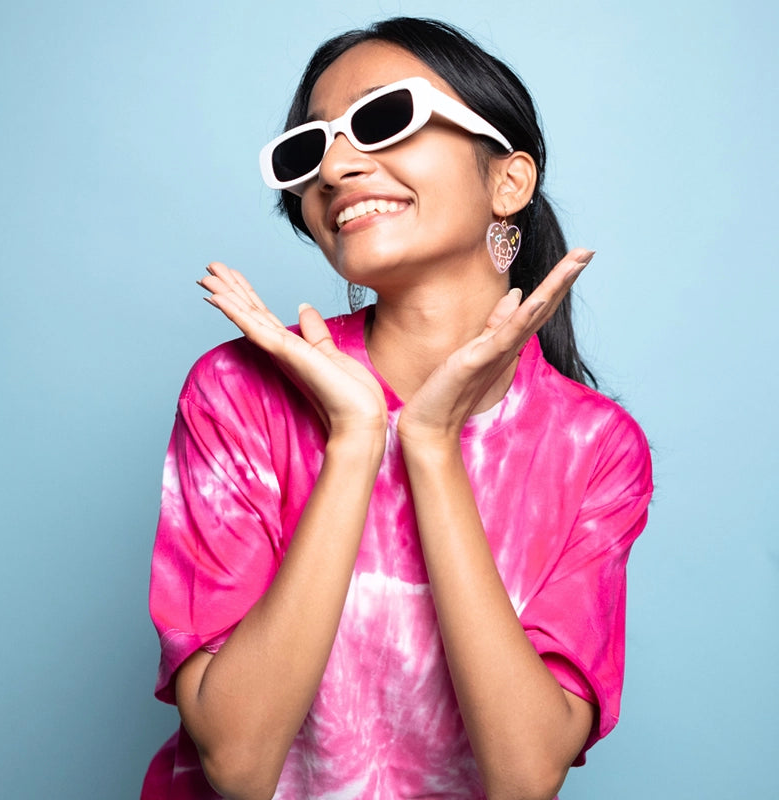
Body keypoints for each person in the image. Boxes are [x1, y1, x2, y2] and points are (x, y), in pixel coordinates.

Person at [143, 16, 652, 800]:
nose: (337, 165)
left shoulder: (596, 448)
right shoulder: (239, 394)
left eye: (385, 118)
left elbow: (525, 776)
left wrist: (431, 443)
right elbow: (239, 766)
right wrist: (354, 440)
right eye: (308, 149)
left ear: (507, 181)